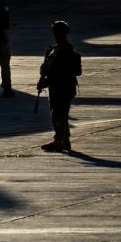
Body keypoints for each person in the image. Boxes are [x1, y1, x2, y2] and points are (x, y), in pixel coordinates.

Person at [39, 20, 82, 152]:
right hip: (60, 86)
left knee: (59, 114)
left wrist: (47, 80)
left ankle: (59, 141)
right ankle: (65, 139)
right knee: (60, 113)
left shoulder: (64, 51)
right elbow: (47, 68)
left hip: (62, 87)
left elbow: (60, 72)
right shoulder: (56, 49)